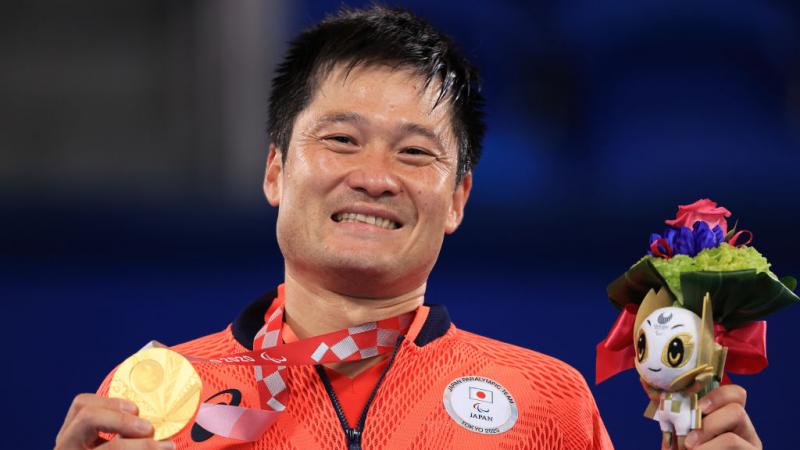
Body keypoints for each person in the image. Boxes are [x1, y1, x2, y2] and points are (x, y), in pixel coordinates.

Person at [55, 6, 761, 450]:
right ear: (274, 170)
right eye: (340, 140)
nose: (375, 175)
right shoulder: (153, 401)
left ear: (457, 198)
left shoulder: (551, 403)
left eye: (415, 151)